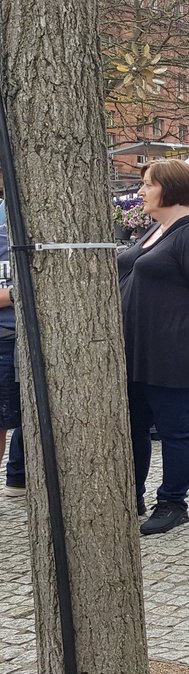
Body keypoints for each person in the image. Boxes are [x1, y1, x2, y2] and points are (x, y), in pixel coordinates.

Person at [117, 159, 189, 534]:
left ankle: (172, 502)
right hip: (139, 351)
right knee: (133, 427)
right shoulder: (156, 229)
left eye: (147, 184)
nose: (141, 191)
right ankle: (130, 494)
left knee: (175, 430)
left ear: (167, 188)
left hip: (174, 353)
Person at [0, 193, 23, 499]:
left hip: (26, 335)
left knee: (26, 415)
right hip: (4, 338)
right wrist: (21, 293)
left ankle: (18, 478)